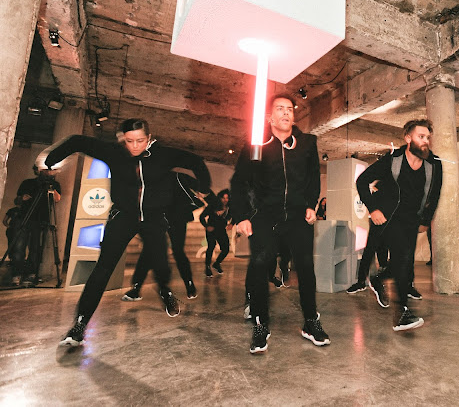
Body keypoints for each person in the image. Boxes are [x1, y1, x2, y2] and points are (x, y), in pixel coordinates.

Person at [46, 118, 211, 347]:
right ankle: (79, 325)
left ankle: (166, 292)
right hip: (123, 217)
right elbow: (77, 141)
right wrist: (50, 161)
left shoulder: (164, 155)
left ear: (149, 138)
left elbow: (195, 161)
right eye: (130, 141)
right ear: (124, 139)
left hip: (153, 219)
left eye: (140, 141)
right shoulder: (114, 153)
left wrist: (204, 187)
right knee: (103, 269)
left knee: (161, 265)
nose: (135, 146)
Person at [231, 93, 329, 354]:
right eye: (280, 109)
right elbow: (240, 182)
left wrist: (311, 204)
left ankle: (311, 321)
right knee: (260, 265)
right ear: (269, 117)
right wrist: (241, 216)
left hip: (297, 216)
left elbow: (313, 177)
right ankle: (261, 323)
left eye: (290, 109)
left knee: (306, 268)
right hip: (264, 216)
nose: (286, 112)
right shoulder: (256, 144)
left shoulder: (307, 143)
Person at [356, 119, 442, 332]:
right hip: (387, 218)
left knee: (403, 263)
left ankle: (378, 279)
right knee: (402, 262)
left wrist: (425, 220)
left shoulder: (434, 164)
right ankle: (401, 313)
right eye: (421, 136)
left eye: (428, 137)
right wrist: (373, 209)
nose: (426, 141)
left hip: (411, 219)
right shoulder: (392, 160)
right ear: (408, 138)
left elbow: (435, 194)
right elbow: (362, 181)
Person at [122, 172, 205, 301]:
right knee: (150, 250)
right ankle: (136, 288)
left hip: (176, 217)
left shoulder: (176, 176)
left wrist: (205, 197)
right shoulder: (149, 177)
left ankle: (189, 284)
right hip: (157, 216)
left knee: (177, 251)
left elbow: (200, 185)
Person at [14, 167, 62, 287]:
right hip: (24, 218)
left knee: (35, 249)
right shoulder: (28, 183)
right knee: (19, 247)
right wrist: (22, 198)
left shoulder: (54, 185)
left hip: (41, 220)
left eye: (51, 170)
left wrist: (51, 187)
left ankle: (30, 274)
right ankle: (17, 273)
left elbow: (57, 199)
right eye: (46, 170)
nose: (49, 172)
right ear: (39, 170)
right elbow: (17, 201)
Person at [199, 189, 231, 275]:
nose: (225, 200)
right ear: (219, 198)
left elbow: (234, 215)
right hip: (212, 229)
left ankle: (217, 264)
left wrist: (232, 224)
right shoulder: (213, 205)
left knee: (226, 248)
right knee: (211, 246)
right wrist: (207, 226)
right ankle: (207, 267)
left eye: (227, 198)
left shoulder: (229, 207)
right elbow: (202, 216)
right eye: (223, 198)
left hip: (221, 230)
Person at [3, 199, 25, 286]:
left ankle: (13, 260)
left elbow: (4, 220)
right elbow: (5, 221)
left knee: (14, 246)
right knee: (13, 246)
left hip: (17, 230)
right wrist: (9, 227)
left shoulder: (14, 210)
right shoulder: (13, 210)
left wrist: (9, 226)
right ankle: (13, 260)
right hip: (13, 230)